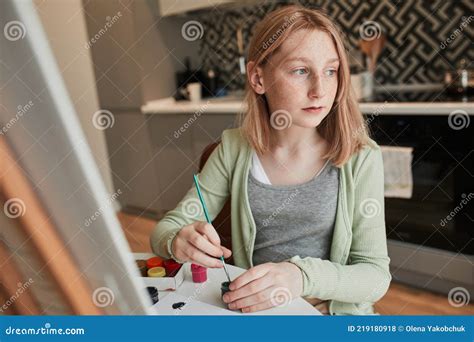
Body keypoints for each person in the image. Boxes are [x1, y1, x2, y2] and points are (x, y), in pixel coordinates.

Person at [151, 5, 391, 315]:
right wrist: (177, 240)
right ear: (257, 77)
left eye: (331, 70)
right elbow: (165, 230)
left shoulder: (361, 157)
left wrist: (299, 277)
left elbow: (374, 277)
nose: (320, 89)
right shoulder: (233, 150)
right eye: (300, 71)